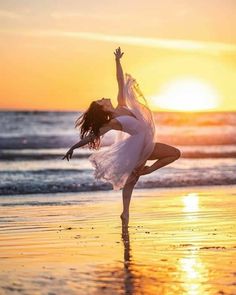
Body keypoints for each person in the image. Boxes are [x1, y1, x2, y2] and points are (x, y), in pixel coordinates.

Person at [62, 47, 181, 227]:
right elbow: (92, 137)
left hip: (146, 143)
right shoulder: (112, 122)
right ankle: (126, 212)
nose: (103, 98)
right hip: (140, 147)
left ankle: (126, 211)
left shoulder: (121, 105)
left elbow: (119, 80)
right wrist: (73, 147)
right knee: (159, 163)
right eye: (101, 100)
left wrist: (117, 61)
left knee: (141, 174)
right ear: (102, 108)